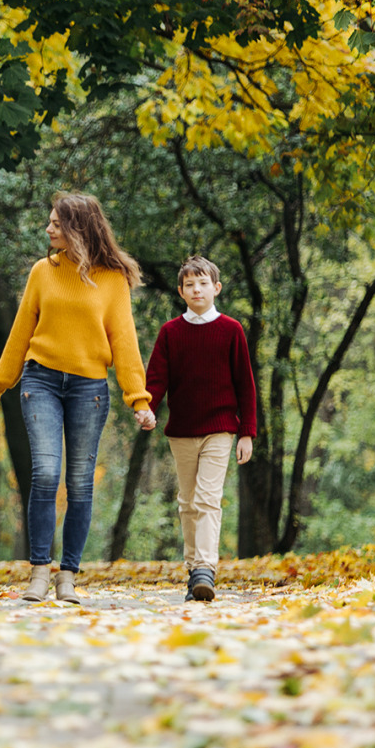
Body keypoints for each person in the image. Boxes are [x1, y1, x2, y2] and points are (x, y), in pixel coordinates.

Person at [0, 193, 155, 605]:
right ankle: (40, 572)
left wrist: (139, 399)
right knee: (44, 473)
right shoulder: (43, 272)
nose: (48, 230)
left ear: (78, 227)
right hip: (39, 380)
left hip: (88, 388)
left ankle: (68, 577)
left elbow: (124, 341)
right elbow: (20, 334)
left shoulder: (112, 279)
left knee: (79, 484)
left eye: (55, 224)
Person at [143, 255, 257, 602]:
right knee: (187, 502)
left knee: (207, 499)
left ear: (216, 288)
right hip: (182, 431)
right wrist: (146, 408)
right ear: (181, 291)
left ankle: (206, 567)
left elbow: (245, 385)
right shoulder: (170, 332)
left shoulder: (231, 330)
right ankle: (195, 571)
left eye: (203, 283)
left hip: (220, 430)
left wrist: (247, 433)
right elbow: (157, 380)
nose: (197, 289)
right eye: (190, 284)